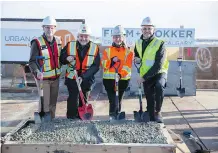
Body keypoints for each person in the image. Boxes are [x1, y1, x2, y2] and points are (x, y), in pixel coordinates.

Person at [60, 24, 100, 119]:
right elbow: (61, 59)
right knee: (73, 99)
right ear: (78, 36)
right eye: (81, 36)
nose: (83, 38)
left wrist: (83, 76)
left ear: (89, 37)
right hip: (72, 78)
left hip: (86, 79)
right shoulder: (70, 45)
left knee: (84, 100)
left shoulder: (95, 47)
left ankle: (81, 118)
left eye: (86, 36)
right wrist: (66, 58)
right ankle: (71, 117)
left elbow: (96, 66)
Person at [134, 17, 169, 123]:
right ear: (141, 30)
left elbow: (158, 65)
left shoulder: (160, 43)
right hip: (145, 73)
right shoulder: (138, 43)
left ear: (154, 30)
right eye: (145, 28)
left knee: (159, 86)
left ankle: (158, 111)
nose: (147, 31)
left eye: (149, 28)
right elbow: (137, 54)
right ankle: (150, 113)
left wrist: (143, 77)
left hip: (159, 73)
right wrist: (136, 58)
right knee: (149, 99)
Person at [29, 16, 62, 119]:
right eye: (47, 27)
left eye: (52, 27)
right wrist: (37, 72)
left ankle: (51, 122)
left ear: (55, 28)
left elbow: (61, 57)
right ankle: (43, 121)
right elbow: (32, 61)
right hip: (43, 79)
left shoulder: (58, 41)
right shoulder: (37, 42)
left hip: (55, 78)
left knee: (53, 103)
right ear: (43, 28)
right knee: (45, 103)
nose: (49, 30)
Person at [101, 25, 133, 120]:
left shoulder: (128, 52)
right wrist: (112, 61)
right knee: (112, 100)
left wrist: (120, 75)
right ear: (112, 38)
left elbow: (127, 67)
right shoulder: (107, 51)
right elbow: (103, 64)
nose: (117, 39)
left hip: (122, 80)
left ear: (123, 37)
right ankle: (112, 116)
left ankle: (117, 115)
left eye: (119, 36)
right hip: (109, 80)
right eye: (115, 36)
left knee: (119, 99)